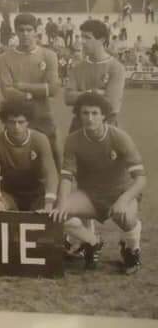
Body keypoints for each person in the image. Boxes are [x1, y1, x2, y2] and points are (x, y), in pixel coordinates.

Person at [50, 93, 145, 274]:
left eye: (95, 113)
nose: (90, 118)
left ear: (104, 115)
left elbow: (141, 178)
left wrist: (124, 200)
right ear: (79, 115)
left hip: (120, 193)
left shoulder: (119, 137)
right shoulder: (73, 140)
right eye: (85, 113)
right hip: (90, 196)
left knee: (125, 216)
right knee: (58, 215)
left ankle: (132, 249)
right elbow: (66, 177)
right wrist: (61, 204)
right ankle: (92, 241)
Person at [0, 13, 60, 166]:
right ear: (16, 32)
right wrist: (35, 93)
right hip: (16, 120)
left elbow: (53, 89)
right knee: (19, 164)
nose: (25, 34)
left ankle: (55, 190)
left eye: (29, 30)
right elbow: (7, 92)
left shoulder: (49, 55)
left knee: (52, 162)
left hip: (43, 116)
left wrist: (22, 86)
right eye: (21, 30)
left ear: (35, 31)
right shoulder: (5, 58)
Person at [0, 99, 58, 212]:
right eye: (12, 122)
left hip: (36, 192)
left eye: (21, 122)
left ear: (28, 122)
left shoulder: (40, 139)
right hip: (8, 193)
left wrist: (49, 202)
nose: (16, 127)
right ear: (4, 122)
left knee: (52, 208)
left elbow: (50, 173)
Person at [65, 20, 125, 132]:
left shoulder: (116, 68)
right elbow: (68, 98)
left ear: (101, 39)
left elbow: (112, 103)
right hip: (79, 127)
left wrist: (81, 96)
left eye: (87, 37)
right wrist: (95, 92)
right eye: (82, 37)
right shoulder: (77, 67)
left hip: (107, 126)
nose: (82, 41)